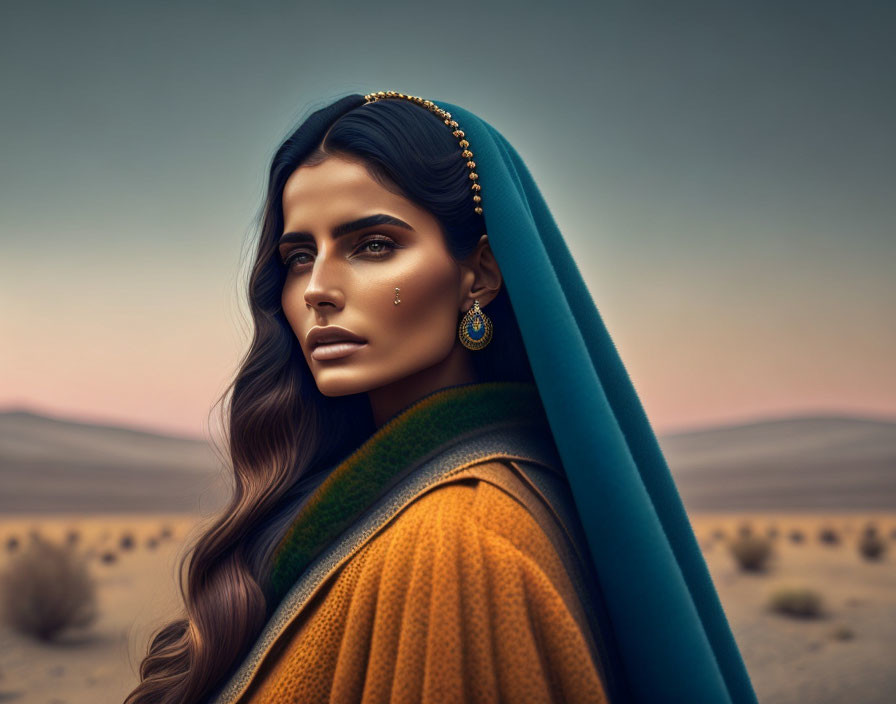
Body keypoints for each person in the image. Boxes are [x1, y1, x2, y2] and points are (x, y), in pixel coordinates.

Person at [124, 91, 758, 704]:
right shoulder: (441, 492)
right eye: (297, 256)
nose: (317, 288)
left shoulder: (457, 544)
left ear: (478, 273)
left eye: (372, 245)